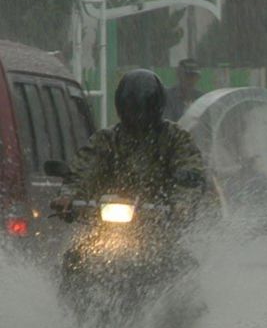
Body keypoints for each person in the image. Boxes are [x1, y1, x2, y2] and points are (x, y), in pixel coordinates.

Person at [54, 69, 206, 221]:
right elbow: (84, 169)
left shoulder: (176, 138)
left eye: (144, 107)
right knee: (78, 245)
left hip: (162, 222)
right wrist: (68, 196)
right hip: (104, 220)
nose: (138, 114)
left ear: (156, 105)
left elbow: (189, 172)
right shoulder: (107, 138)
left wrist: (182, 203)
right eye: (131, 108)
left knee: (178, 244)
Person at [164, 58, 205, 122]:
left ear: (198, 77)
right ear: (178, 75)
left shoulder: (202, 98)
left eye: (194, 75)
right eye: (187, 75)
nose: (190, 79)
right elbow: (167, 122)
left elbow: (207, 124)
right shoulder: (168, 97)